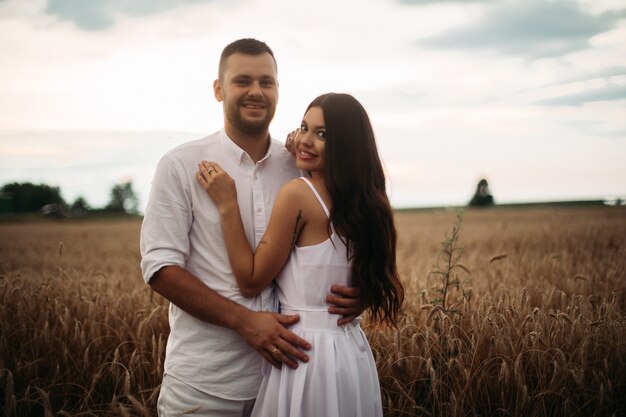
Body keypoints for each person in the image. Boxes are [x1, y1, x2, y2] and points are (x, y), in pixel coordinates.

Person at [140, 39, 362, 417]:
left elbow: (350, 233)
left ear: (278, 90)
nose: (256, 91)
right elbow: (159, 269)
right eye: (243, 80)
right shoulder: (180, 164)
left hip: (289, 381)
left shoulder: (299, 164)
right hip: (205, 383)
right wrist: (245, 322)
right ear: (218, 89)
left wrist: (365, 291)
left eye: (267, 82)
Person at [196, 92, 405, 417]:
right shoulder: (367, 203)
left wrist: (227, 204)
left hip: (304, 355)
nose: (305, 140)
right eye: (303, 128)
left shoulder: (299, 193)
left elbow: (250, 280)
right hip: (351, 353)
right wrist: (308, 148)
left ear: (345, 145)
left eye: (322, 134)